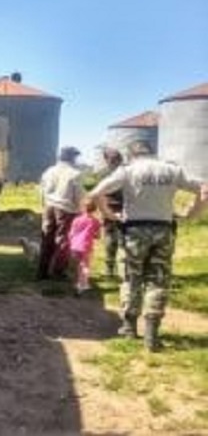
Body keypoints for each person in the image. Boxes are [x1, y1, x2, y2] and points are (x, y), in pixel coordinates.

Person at [89, 139, 205, 352]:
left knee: (131, 277)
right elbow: (204, 187)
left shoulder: (127, 171)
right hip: (163, 230)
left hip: (134, 229)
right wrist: (192, 213)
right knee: (158, 279)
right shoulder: (172, 170)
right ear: (152, 152)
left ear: (132, 154)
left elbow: (96, 193)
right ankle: (152, 334)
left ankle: (129, 328)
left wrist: (109, 214)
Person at [37, 146, 85, 279]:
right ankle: (58, 271)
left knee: (47, 238)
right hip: (66, 209)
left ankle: (42, 271)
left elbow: (41, 190)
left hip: (49, 206)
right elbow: (78, 195)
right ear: (72, 158)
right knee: (63, 240)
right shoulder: (75, 174)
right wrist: (81, 210)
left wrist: (43, 205)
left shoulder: (49, 171)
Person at [97, 147, 125, 277]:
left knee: (110, 237)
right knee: (124, 238)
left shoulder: (102, 173)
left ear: (106, 159)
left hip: (108, 208)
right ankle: (123, 269)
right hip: (124, 208)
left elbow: (98, 193)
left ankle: (109, 269)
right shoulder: (126, 171)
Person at [68, 198, 101, 294]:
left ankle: (77, 283)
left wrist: (71, 241)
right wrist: (93, 235)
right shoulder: (95, 221)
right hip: (86, 245)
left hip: (74, 245)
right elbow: (98, 236)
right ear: (95, 209)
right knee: (85, 265)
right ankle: (83, 284)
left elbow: (71, 233)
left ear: (82, 208)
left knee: (77, 264)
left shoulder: (76, 220)